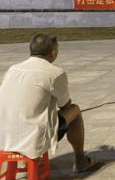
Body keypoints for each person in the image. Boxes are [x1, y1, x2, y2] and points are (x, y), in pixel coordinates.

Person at [0, 34, 97, 172]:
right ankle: (80, 161)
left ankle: (25, 159)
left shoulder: (13, 69)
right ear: (53, 53)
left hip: (4, 134)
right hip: (32, 136)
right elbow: (65, 105)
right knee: (75, 110)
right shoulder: (55, 73)